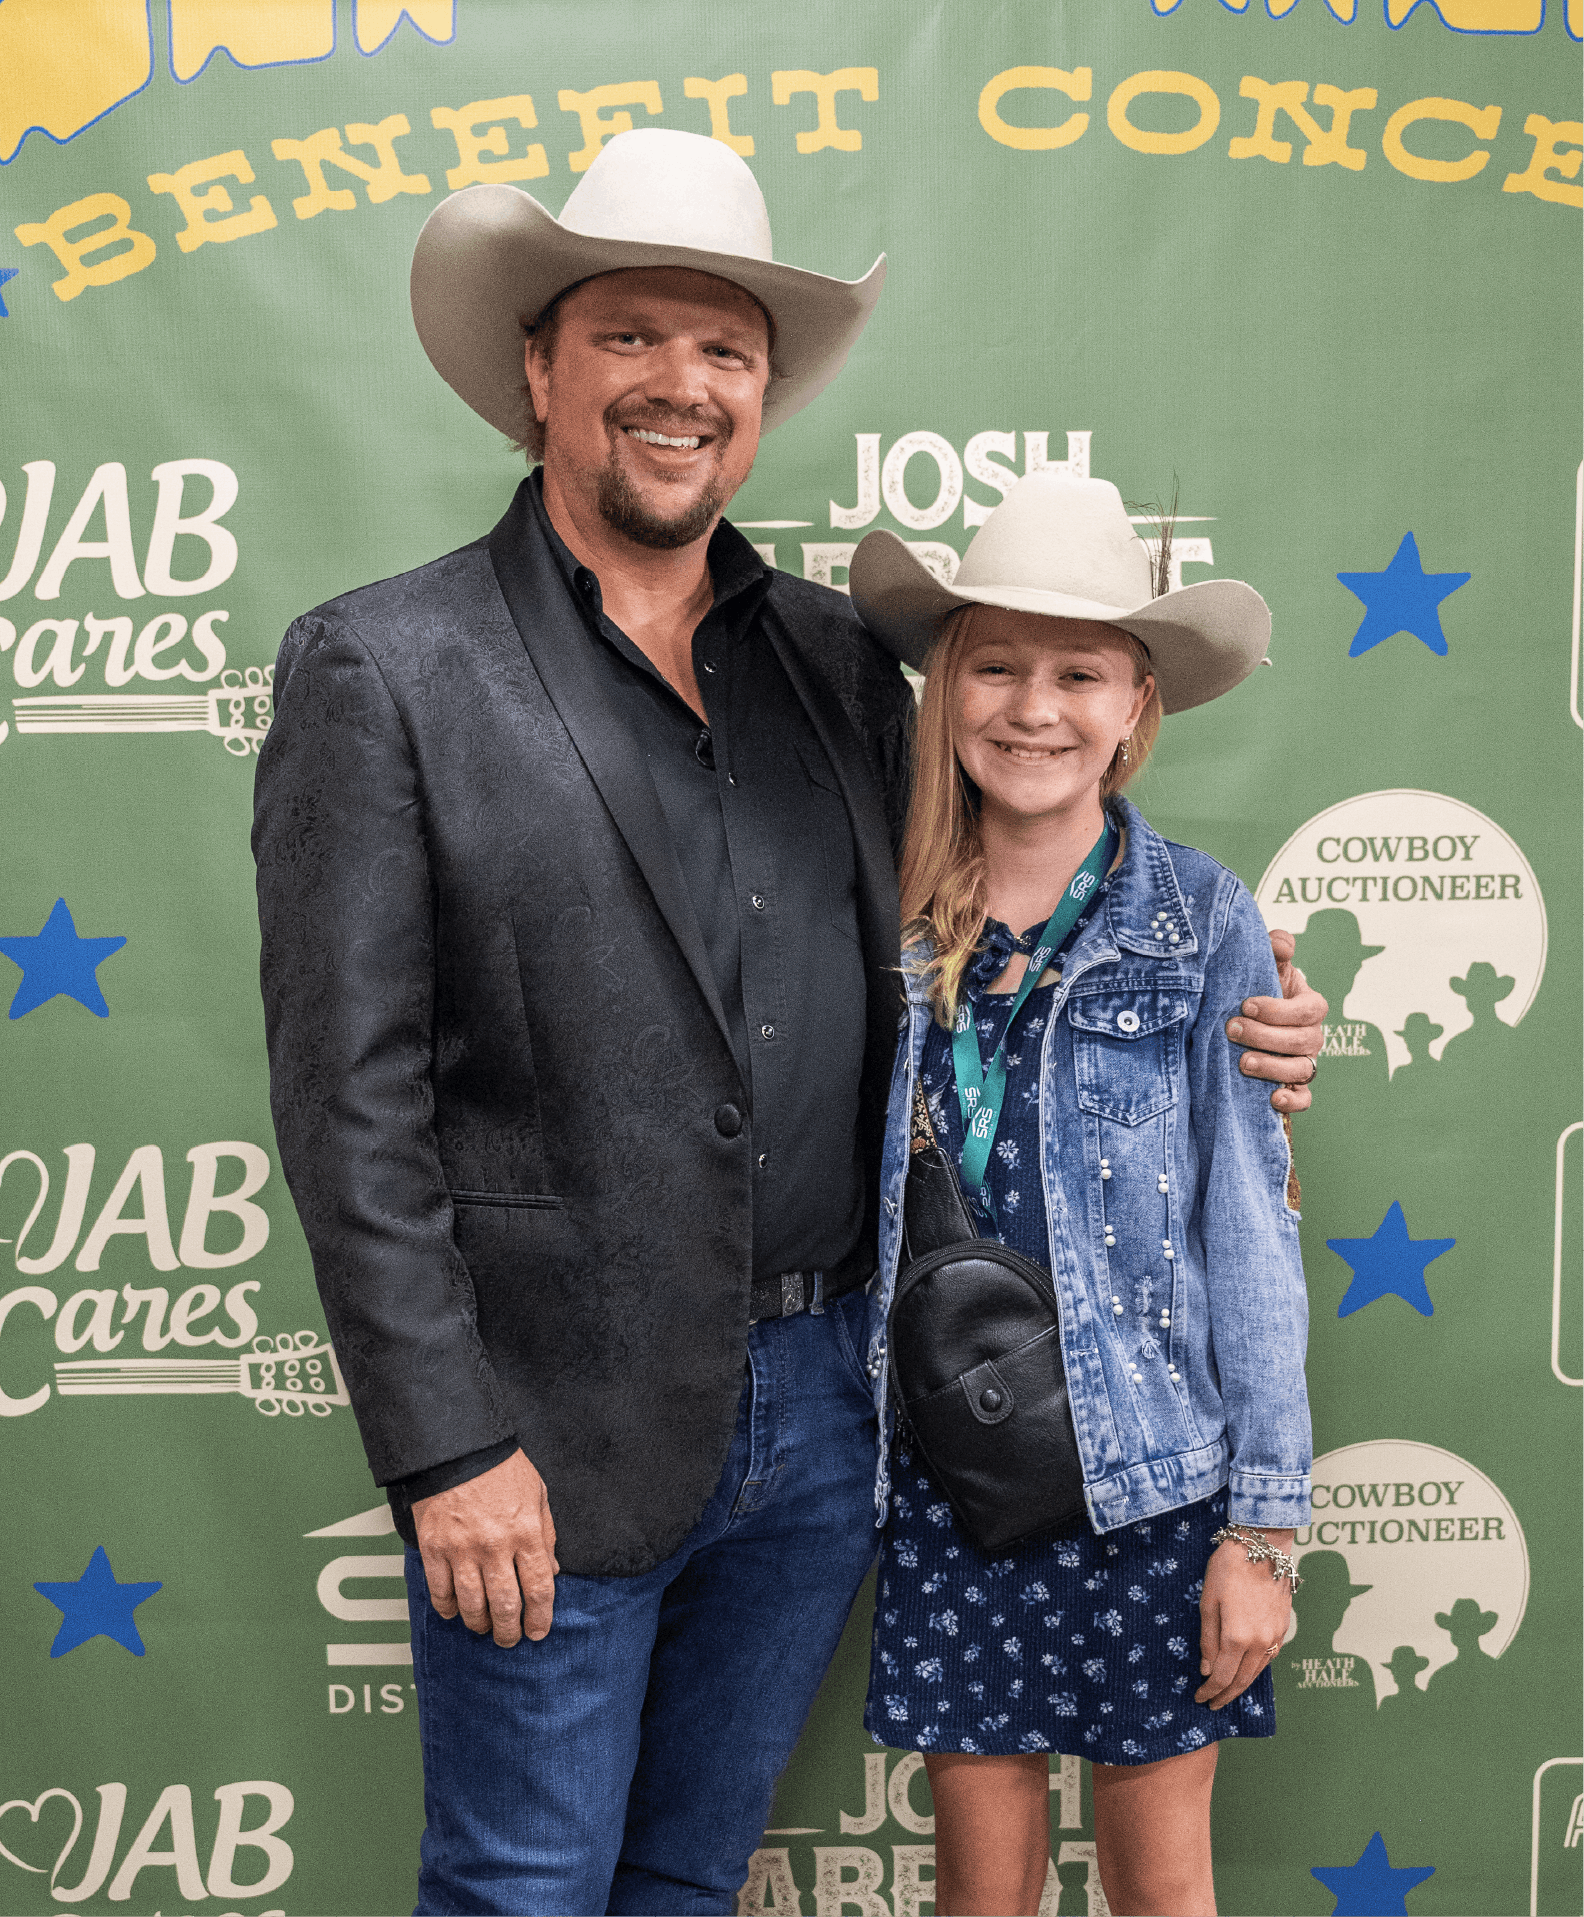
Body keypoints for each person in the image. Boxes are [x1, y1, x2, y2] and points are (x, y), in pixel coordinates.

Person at [253, 129, 1325, 1915]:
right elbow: (344, 1102)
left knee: (689, 1878)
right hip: (547, 1424)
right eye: (632, 339)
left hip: (834, 1418)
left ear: (760, 396)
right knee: (522, 1882)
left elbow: (1002, 939)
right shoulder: (388, 669)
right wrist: (446, 1447)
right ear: (538, 369)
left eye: (727, 351)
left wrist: (1251, 1025)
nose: (683, 384)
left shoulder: (836, 663)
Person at [850, 471, 1315, 1917]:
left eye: (1080, 673)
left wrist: (1261, 1533)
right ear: (944, 691)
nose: (1034, 707)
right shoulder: (880, 913)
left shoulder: (1205, 921)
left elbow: (1249, 1230)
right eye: (995, 664)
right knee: (979, 1897)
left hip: (1155, 1486)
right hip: (949, 1480)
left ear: (1134, 709)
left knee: (1161, 1894)